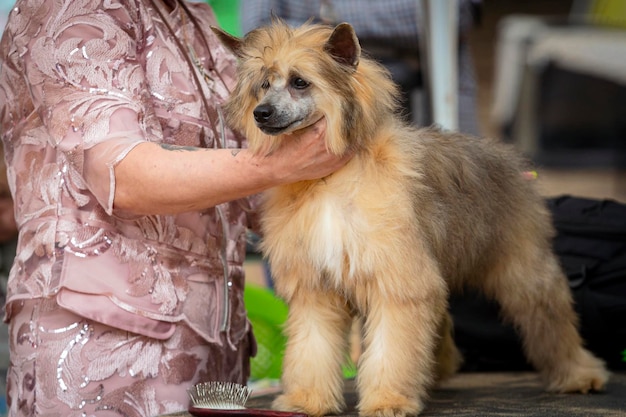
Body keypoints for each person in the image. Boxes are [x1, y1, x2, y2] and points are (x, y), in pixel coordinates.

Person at [0, 0, 351, 415]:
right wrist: (279, 165)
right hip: (101, 356)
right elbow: (123, 175)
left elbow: (238, 177)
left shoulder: (194, 15)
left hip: (214, 353)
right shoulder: (72, 8)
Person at [239, 0, 482, 136]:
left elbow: (455, 13)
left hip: (438, 89)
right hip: (315, 105)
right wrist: (335, 43)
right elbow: (258, 34)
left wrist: (330, 14)